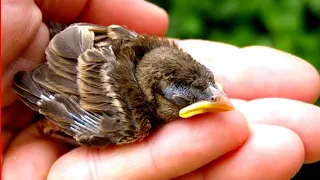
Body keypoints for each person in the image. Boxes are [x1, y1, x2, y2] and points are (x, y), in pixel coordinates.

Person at [2, 0, 320, 179]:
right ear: (158, 98)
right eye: (182, 97)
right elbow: (82, 118)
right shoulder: (134, 117)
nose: (217, 96)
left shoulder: (152, 51)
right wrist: (51, 110)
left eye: (211, 86)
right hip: (53, 67)